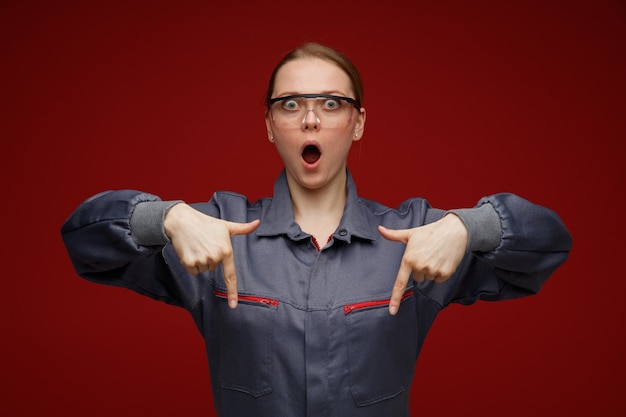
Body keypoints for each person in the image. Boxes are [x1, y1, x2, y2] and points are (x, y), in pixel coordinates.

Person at [61, 42, 572, 417]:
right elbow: (83, 241)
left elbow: (551, 242)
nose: (310, 119)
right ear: (269, 125)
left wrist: (471, 225)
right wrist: (164, 217)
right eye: (290, 104)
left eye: (331, 103)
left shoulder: (418, 234)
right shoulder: (214, 230)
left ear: (358, 123)